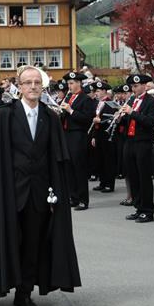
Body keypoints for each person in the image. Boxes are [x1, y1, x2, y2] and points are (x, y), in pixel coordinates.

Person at [0, 65, 81, 306]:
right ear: (19, 87)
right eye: (28, 83)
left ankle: (23, 293)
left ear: (42, 86)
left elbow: (56, 159)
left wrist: (56, 191)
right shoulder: (4, 115)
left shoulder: (51, 116)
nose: (33, 87)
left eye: (37, 82)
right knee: (5, 239)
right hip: (9, 192)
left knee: (33, 244)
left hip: (39, 194)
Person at [122, 74, 154, 223]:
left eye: (136, 86)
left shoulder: (152, 101)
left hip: (143, 143)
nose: (134, 89)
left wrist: (132, 113)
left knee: (144, 177)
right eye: (132, 86)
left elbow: (150, 122)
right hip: (129, 141)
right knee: (133, 176)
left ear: (144, 86)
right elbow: (129, 121)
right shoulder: (132, 100)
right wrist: (121, 117)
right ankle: (138, 207)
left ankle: (148, 210)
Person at [60, 72, 95, 210]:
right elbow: (65, 116)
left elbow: (87, 118)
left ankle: (83, 200)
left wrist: (71, 111)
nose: (70, 86)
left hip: (78, 135)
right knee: (69, 168)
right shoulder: (69, 97)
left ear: (79, 83)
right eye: (68, 83)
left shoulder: (85, 99)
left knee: (79, 168)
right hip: (67, 134)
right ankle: (73, 197)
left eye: (72, 83)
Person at [90, 81, 117, 193]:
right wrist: (94, 136)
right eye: (95, 91)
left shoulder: (110, 103)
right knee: (100, 159)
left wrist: (100, 121)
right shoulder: (98, 103)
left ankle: (109, 184)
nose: (96, 93)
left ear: (105, 91)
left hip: (107, 135)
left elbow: (112, 119)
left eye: (98, 91)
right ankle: (102, 182)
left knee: (108, 160)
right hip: (99, 134)